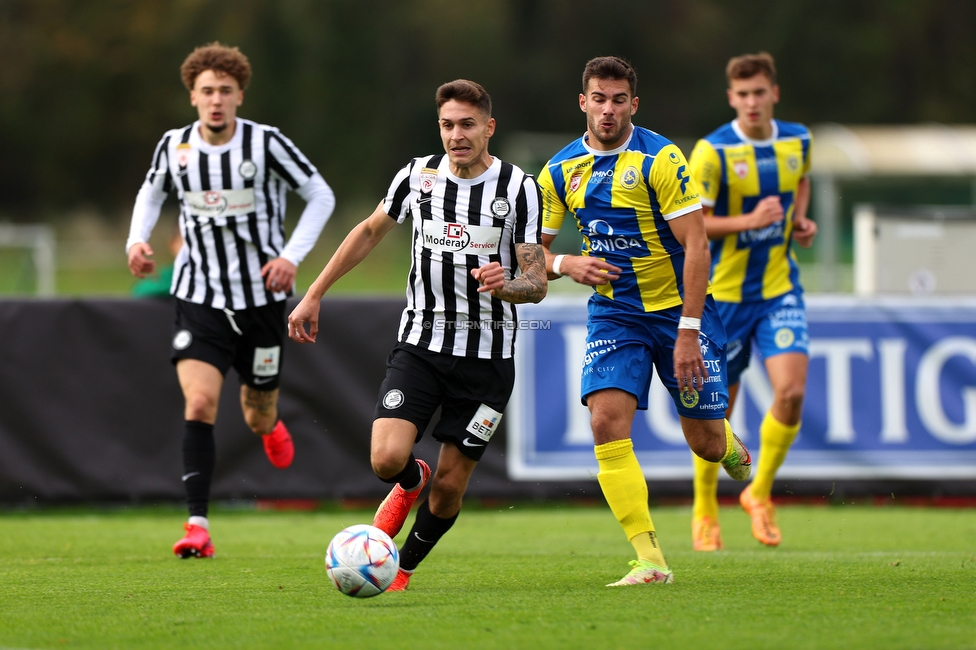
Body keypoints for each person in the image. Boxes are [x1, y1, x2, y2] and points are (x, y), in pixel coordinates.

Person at [288, 79, 547, 591]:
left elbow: (536, 282)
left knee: (451, 488)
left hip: (487, 359)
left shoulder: (520, 189)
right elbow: (367, 231)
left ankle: (400, 569)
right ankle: (411, 480)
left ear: (488, 128)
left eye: (468, 125)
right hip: (421, 344)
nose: (457, 135)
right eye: (448, 125)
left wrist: (508, 283)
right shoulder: (417, 177)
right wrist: (314, 292)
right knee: (386, 458)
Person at [537, 56, 751, 587]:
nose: (607, 110)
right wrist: (566, 263)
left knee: (702, 441)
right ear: (582, 102)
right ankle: (650, 559)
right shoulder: (558, 171)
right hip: (615, 313)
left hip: (681, 311)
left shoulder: (660, 157)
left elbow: (697, 245)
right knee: (605, 421)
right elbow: (531, 257)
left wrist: (687, 329)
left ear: (634, 104)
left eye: (618, 100)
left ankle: (727, 444)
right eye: (598, 99)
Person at [126, 42, 335, 558]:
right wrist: (136, 239)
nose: (215, 100)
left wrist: (290, 256)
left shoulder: (265, 144)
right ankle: (198, 524)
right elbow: (151, 193)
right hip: (199, 296)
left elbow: (320, 195)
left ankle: (270, 424)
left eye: (225, 90)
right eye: (206, 91)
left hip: (263, 300)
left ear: (240, 94)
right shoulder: (174, 147)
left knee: (257, 416)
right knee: (199, 401)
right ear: (193, 97)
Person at [687, 52, 816, 551]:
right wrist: (750, 222)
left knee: (792, 391)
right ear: (731, 99)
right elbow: (695, 225)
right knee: (718, 416)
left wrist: (798, 221)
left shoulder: (797, 140)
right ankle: (703, 508)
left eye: (759, 92)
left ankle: (757, 494)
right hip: (725, 298)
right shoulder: (712, 152)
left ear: (774, 94)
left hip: (779, 289)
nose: (751, 102)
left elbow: (799, 181)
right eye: (742, 95)